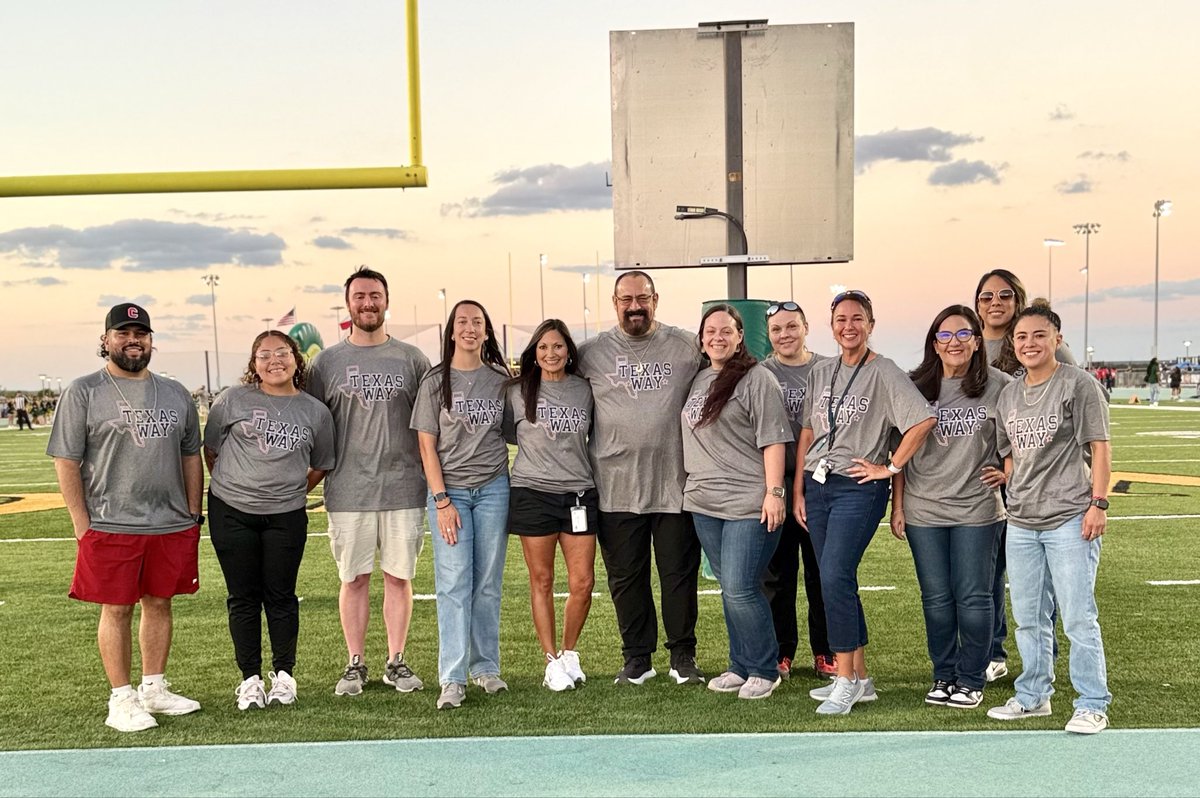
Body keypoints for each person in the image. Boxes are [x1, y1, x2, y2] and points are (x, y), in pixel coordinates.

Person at [47, 303, 204, 732]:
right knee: (116, 609)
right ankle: (121, 698)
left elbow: (191, 454)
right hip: (111, 521)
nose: (133, 340)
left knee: (160, 603)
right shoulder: (83, 391)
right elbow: (66, 460)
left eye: (141, 333)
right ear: (106, 340)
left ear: (152, 340)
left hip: (170, 521)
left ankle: (154, 687)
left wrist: (193, 512)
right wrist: (81, 522)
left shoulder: (174, 393)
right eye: (123, 332)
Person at [793, 290, 936, 715]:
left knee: (834, 574)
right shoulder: (822, 370)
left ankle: (844, 678)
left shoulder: (885, 371)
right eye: (840, 319)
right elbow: (807, 431)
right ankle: (861, 677)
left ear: (870, 325)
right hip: (817, 484)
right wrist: (799, 488)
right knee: (835, 579)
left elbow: (922, 419)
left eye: (857, 319)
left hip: (858, 485)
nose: (848, 326)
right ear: (831, 325)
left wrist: (889, 469)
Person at [986, 302, 1113, 734]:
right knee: (1028, 616)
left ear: (1057, 339)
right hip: (1020, 519)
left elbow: (1099, 447)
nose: (1029, 343)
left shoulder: (1078, 385)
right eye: (1021, 337)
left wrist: (1099, 503)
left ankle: (1092, 702)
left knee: (1078, 616)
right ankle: (1033, 695)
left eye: (1039, 335)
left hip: (1069, 516)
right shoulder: (1008, 393)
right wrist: (1004, 475)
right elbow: (1012, 454)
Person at [306, 266, 432, 697]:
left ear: (386, 300)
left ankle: (396, 660)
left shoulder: (412, 359)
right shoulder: (326, 362)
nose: (368, 303)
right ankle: (355, 662)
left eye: (375, 295)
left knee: (399, 577)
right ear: (348, 304)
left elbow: (430, 426)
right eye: (360, 296)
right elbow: (311, 425)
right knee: (354, 578)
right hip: (348, 489)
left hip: (404, 486)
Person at [577, 271, 705, 685]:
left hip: (674, 486)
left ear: (656, 299)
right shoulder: (591, 352)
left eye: (643, 298)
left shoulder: (686, 345)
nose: (635, 306)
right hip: (615, 488)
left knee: (678, 577)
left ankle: (682, 656)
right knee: (626, 580)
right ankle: (637, 658)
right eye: (626, 299)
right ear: (614, 303)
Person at [204, 330, 336, 709]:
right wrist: (238, 487)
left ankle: (284, 676)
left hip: (286, 514)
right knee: (243, 597)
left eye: (282, 352)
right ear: (253, 363)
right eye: (264, 355)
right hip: (232, 510)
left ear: (296, 359)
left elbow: (322, 463)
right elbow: (211, 449)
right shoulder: (233, 399)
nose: (274, 360)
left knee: (281, 596)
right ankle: (249, 679)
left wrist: (289, 489)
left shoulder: (315, 411)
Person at [889, 305, 1011, 709]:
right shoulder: (914, 385)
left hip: (977, 510)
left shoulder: (1002, 386)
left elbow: (1024, 439)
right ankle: (944, 674)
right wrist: (898, 504)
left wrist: (1007, 470)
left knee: (974, 597)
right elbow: (900, 450)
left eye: (963, 334)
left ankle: (972, 678)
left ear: (977, 340)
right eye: (945, 335)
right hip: (924, 510)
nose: (954, 342)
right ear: (934, 343)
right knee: (936, 598)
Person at [683, 304, 792, 700]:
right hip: (705, 502)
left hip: (748, 500)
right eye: (710, 331)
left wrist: (774, 492)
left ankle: (765, 668)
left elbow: (774, 438)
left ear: (740, 335)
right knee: (730, 587)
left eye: (726, 331)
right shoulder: (699, 380)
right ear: (701, 337)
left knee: (742, 587)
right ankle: (740, 664)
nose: (717, 337)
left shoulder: (756, 378)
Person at [412, 299, 512, 710]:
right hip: (449, 494)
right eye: (462, 322)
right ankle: (452, 677)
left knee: (487, 583)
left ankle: (485, 666)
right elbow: (426, 444)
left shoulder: (500, 380)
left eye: (478, 322)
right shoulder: (436, 381)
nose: (470, 328)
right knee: (454, 583)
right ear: (452, 331)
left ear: (487, 332)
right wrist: (441, 500)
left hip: (493, 490)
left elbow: (517, 431)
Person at [974, 269, 1073, 683]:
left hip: (1035, 485)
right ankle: (995, 652)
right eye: (986, 297)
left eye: (1004, 295)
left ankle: (1043, 661)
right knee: (990, 573)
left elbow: (1082, 399)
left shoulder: (1037, 340)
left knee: (1042, 581)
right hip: (980, 479)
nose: (995, 302)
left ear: (1018, 299)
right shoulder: (970, 343)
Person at [505, 319, 597, 692]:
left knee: (583, 582)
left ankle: (569, 652)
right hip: (532, 493)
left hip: (579, 494)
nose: (551, 354)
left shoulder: (585, 390)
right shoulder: (516, 391)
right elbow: (507, 435)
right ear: (534, 353)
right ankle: (550, 660)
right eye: (543, 348)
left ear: (569, 351)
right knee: (541, 580)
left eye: (557, 347)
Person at [758, 301, 836, 680]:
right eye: (776, 330)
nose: (785, 335)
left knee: (823, 571)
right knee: (777, 574)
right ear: (768, 335)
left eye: (792, 326)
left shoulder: (829, 369)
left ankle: (826, 651)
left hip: (820, 481)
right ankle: (781, 651)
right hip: (778, 482)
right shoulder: (760, 373)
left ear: (806, 327)